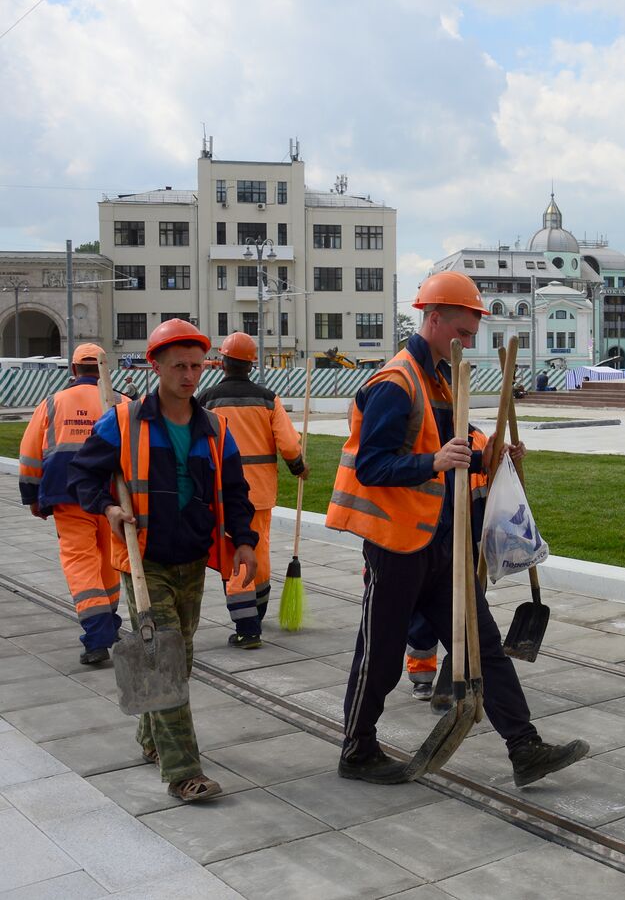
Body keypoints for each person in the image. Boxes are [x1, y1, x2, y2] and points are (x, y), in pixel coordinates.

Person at [327, 270, 588, 787]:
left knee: (484, 647)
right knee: (379, 657)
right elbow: (371, 467)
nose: (469, 342)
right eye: (463, 332)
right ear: (433, 318)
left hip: (444, 546)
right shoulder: (395, 384)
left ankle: (524, 748)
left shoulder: (443, 380)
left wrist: (493, 455)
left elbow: (461, 446)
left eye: (471, 334)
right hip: (398, 545)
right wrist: (433, 462)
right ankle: (357, 750)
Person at [69, 318, 259, 803]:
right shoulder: (123, 421)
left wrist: (244, 540)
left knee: (181, 657)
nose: (189, 375)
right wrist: (108, 507)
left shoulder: (214, 428)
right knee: (164, 660)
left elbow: (236, 490)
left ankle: (152, 737)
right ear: (155, 366)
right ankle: (183, 772)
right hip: (144, 558)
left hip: (192, 557)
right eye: (179, 366)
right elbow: (82, 476)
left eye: (197, 365)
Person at [18, 344, 128, 665]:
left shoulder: (52, 403)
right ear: (105, 370)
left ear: (74, 370)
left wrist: (33, 497)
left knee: (80, 561)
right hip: (110, 498)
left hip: (68, 496)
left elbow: (29, 454)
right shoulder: (122, 403)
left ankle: (97, 635)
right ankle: (109, 621)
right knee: (109, 559)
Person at [202, 332, 309, 648]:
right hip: (259, 493)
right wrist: (299, 466)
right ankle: (256, 612)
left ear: (223, 362)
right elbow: (289, 445)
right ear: (251, 365)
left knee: (232, 554)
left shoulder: (206, 399)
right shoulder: (267, 399)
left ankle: (247, 626)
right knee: (258, 550)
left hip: (221, 493)